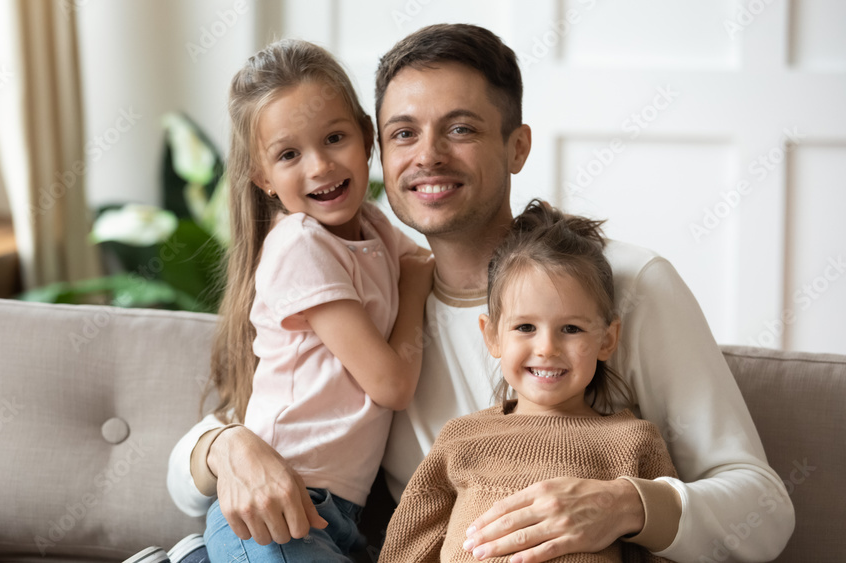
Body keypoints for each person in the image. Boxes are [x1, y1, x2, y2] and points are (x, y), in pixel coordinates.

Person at [168, 24, 794, 562]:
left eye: (460, 128)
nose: (429, 156)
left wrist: (625, 503)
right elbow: (233, 442)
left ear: (516, 146)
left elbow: (764, 511)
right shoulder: (380, 295)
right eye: (404, 133)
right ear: (379, 150)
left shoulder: (627, 285)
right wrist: (226, 446)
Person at [193, 38, 435, 562]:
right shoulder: (301, 243)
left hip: (338, 513)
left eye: (334, 137)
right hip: (276, 506)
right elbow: (391, 384)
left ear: (367, 138)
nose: (320, 166)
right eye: (289, 154)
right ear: (264, 179)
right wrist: (414, 284)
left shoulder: (373, 225)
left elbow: (432, 258)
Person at [379, 200, 679, 563]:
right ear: (491, 336)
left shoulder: (634, 443)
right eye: (525, 327)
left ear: (607, 339)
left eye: (571, 328)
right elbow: (407, 548)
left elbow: (661, 554)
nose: (547, 348)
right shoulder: (460, 438)